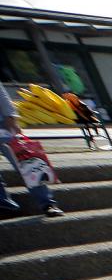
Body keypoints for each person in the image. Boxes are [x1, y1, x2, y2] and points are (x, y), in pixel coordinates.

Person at [0, 81, 65, 216]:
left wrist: (10, 118)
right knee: (26, 165)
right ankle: (4, 203)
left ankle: (47, 203)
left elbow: (1, 94)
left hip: (2, 127)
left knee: (26, 165)